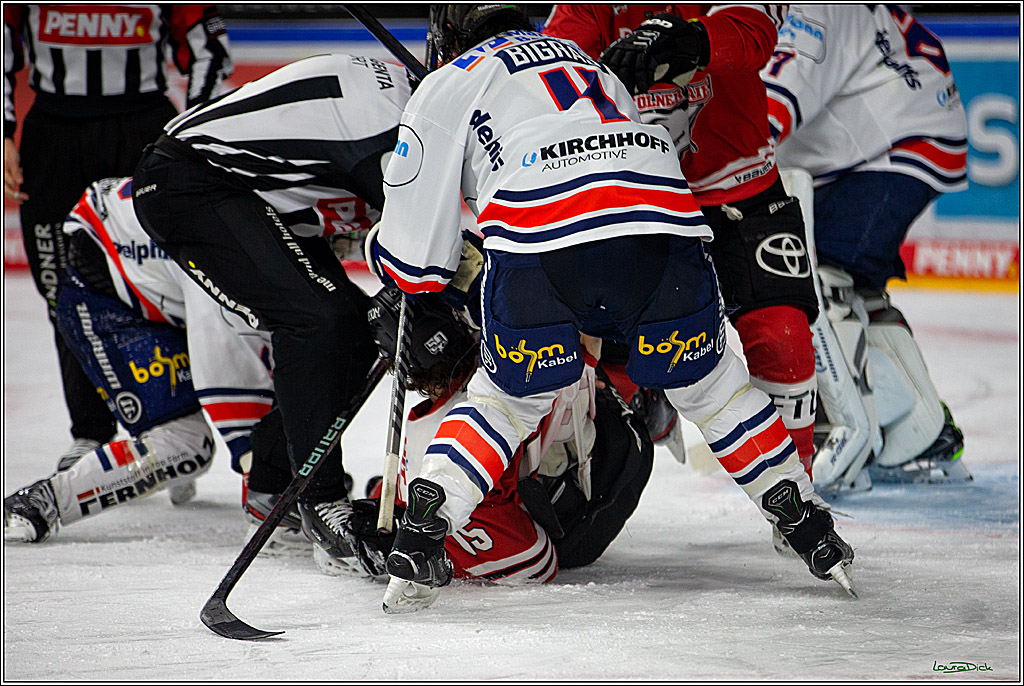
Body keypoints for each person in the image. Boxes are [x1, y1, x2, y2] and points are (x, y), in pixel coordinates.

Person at [365, 5, 855, 613]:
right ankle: (801, 516)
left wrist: (392, 263)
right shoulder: (589, 63)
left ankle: (427, 520)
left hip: (542, 245)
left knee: (507, 401)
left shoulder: (447, 82)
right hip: (663, 230)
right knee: (713, 391)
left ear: (450, 36)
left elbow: (417, 264)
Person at [131, 53, 410, 575]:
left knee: (353, 329)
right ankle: (319, 501)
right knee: (319, 320)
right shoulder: (388, 122)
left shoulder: (407, 102)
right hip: (190, 183)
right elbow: (417, 246)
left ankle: (274, 485)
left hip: (252, 196)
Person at [543, 4, 821, 477]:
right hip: (638, 194)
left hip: (740, 182)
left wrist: (688, 39)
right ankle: (597, 466)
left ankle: (799, 488)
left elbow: (755, 32)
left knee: (782, 337)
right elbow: (554, 62)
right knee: (601, 358)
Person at [3, 4, 233, 469]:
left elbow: (209, 48)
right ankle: (90, 432)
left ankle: (175, 426)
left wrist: (191, 137)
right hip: (52, 139)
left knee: (164, 284)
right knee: (60, 286)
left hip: (144, 131)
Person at [760, 5, 970, 489]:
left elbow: (776, 102)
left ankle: (848, 432)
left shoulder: (815, 8)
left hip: (895, 145)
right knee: (857, 290)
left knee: (823, 280)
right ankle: (921, 426)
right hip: (891, 140)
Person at [333, 285, 655, 592]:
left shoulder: (426, 443)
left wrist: (419, 542)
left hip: (592, 500)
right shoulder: (506, 343)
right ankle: (644, 391)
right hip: (610, 448)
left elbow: (537, 561)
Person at [3, 176, 273, 543]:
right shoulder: (230, 240)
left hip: (156, 277)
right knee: (186, 446)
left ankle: (171, 446)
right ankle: (43, 500)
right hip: (107, 297)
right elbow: (225, 360)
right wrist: (259, 467)